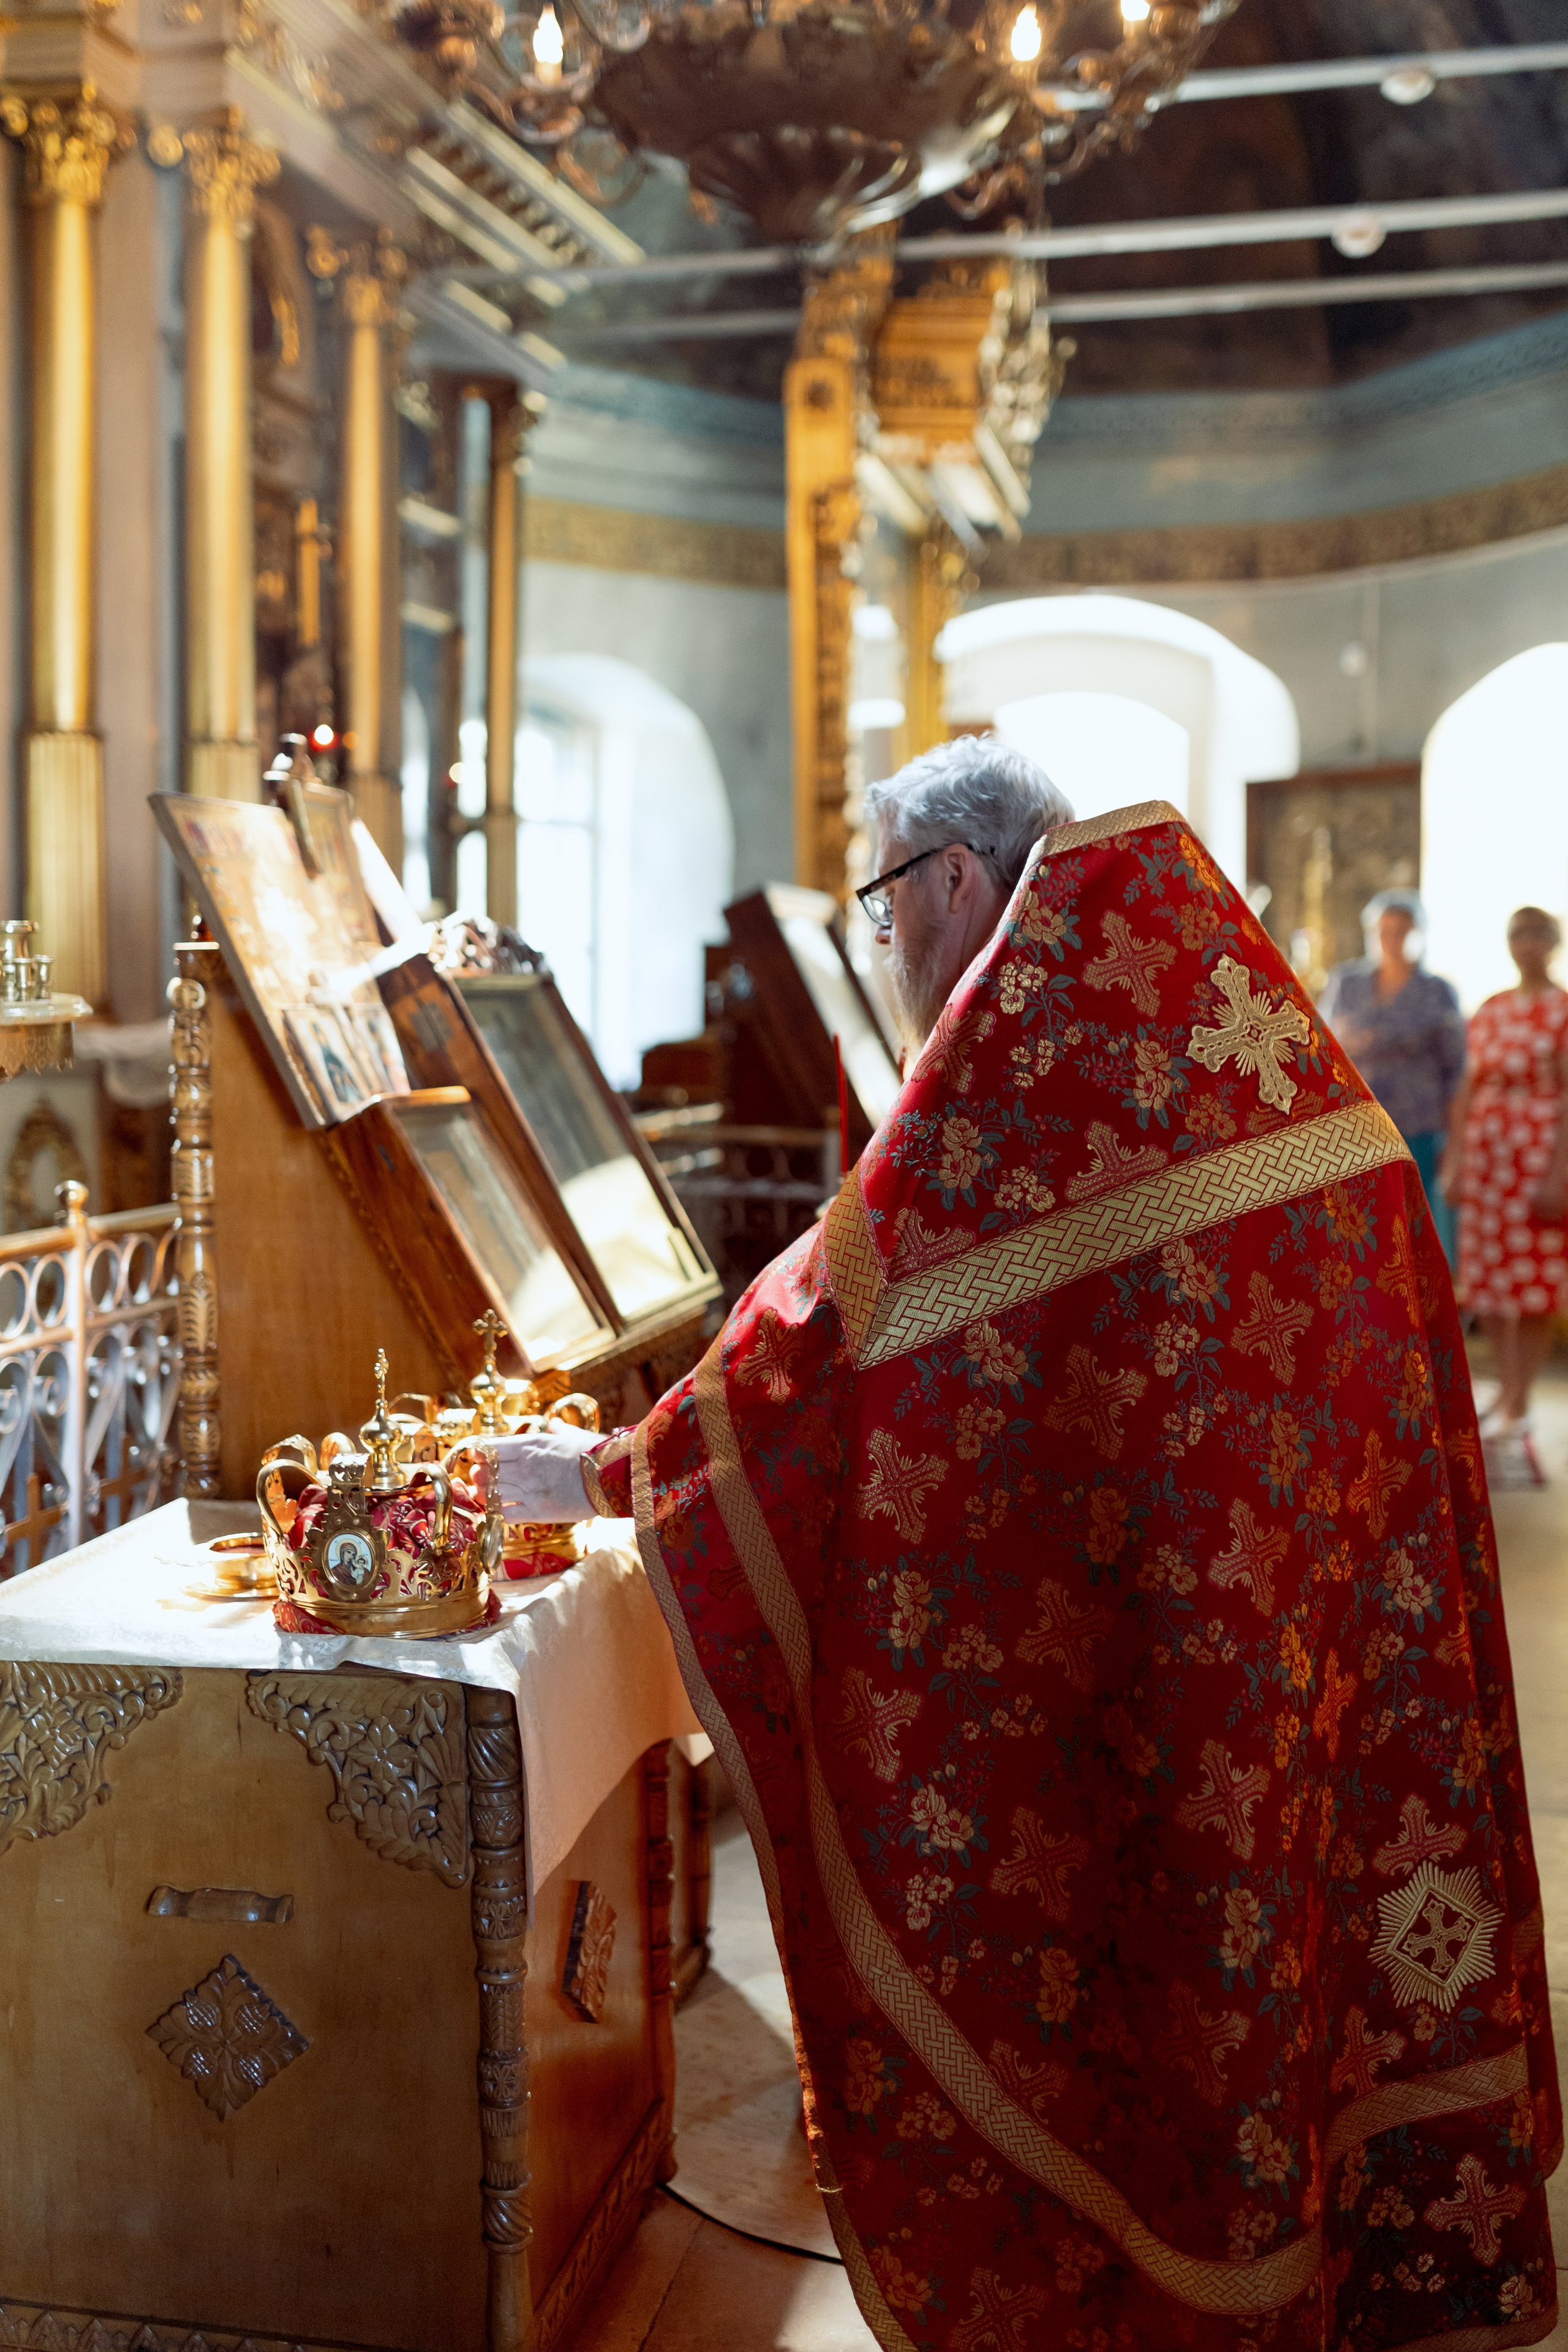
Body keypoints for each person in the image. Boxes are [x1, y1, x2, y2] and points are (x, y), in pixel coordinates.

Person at [499, 744, 1558, 2350]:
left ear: (951, 884)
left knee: (1179, 1939)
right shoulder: (1223, 1014)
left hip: (1182, 1631)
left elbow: (819, 1351)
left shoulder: (1022, 1058)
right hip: (1316, 1621)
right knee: (1279, 1921)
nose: (887, 947)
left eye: (881, 905)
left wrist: (606, 1470)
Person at [1441, 905, 1568, 1446]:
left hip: (1538, 1153)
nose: (1527, 943)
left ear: (1553, 942)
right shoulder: (1491, 1008)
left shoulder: (1562, 1011)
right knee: (1487, 1279)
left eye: (1537, 934)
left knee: (1534, 1282)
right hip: (1488, 1155)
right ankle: (1506, 1391)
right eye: (1519, 933)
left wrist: (1559, 1174)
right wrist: (1454, 1160)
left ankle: (1520, 1399)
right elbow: (1468, 1086)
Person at [1318, 888, 1464, 1261]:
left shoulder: (1437, 991)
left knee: (1418, 1230)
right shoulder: (1346, 983)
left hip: (1418, 1129)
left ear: (1418, 934)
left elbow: (1456, 1074)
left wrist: (1456, 1144)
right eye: (1384, 930)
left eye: (1402, 930)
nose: (1392, 939)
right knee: (1363, 1232)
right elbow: (1321, 1047)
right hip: (1356, 1129)